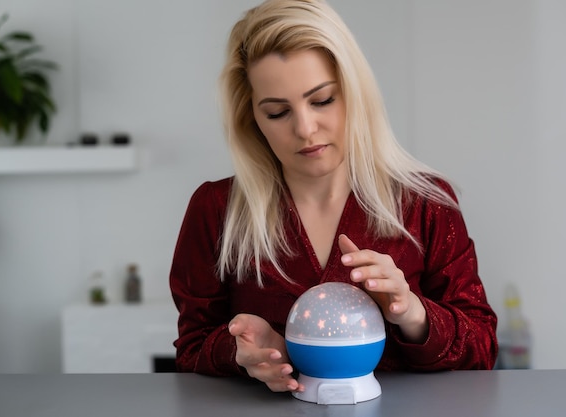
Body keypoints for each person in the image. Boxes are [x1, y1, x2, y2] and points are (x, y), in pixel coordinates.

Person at [170, 0, 498, 393]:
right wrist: (240, 352)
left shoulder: (426, 203)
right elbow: (190, 349)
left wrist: (412, 312)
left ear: (354, 93)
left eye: (322, 100)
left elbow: (482, 347)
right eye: (277, 112)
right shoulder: (217, 210)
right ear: (251, 118)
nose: (306, 129)